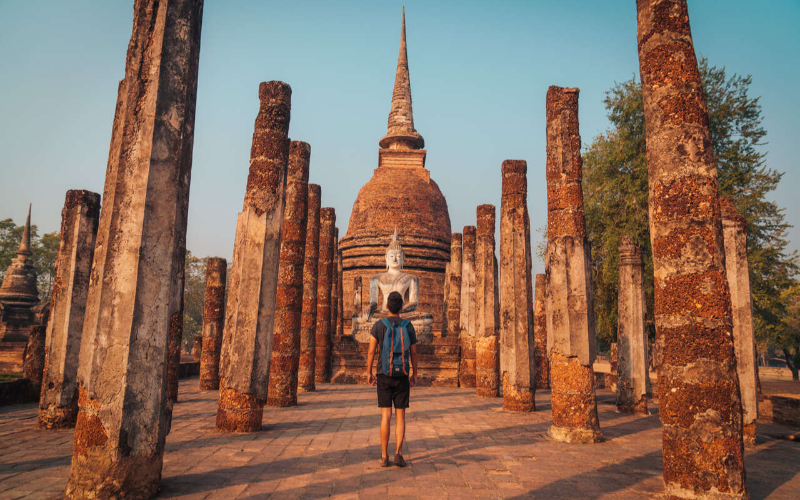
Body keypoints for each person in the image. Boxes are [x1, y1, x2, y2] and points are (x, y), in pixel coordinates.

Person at [366, 291, 418, 467]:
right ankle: (398, 454)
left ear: (387, 306)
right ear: (402, 307)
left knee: (386, 416)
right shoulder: (408, 326)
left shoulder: (379, 325)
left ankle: (383, 456)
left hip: (383, 374)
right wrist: (415, 373)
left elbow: (372, 351)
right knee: (400, 415)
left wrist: (368, 372)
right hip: (402, 375)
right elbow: (414, 352)